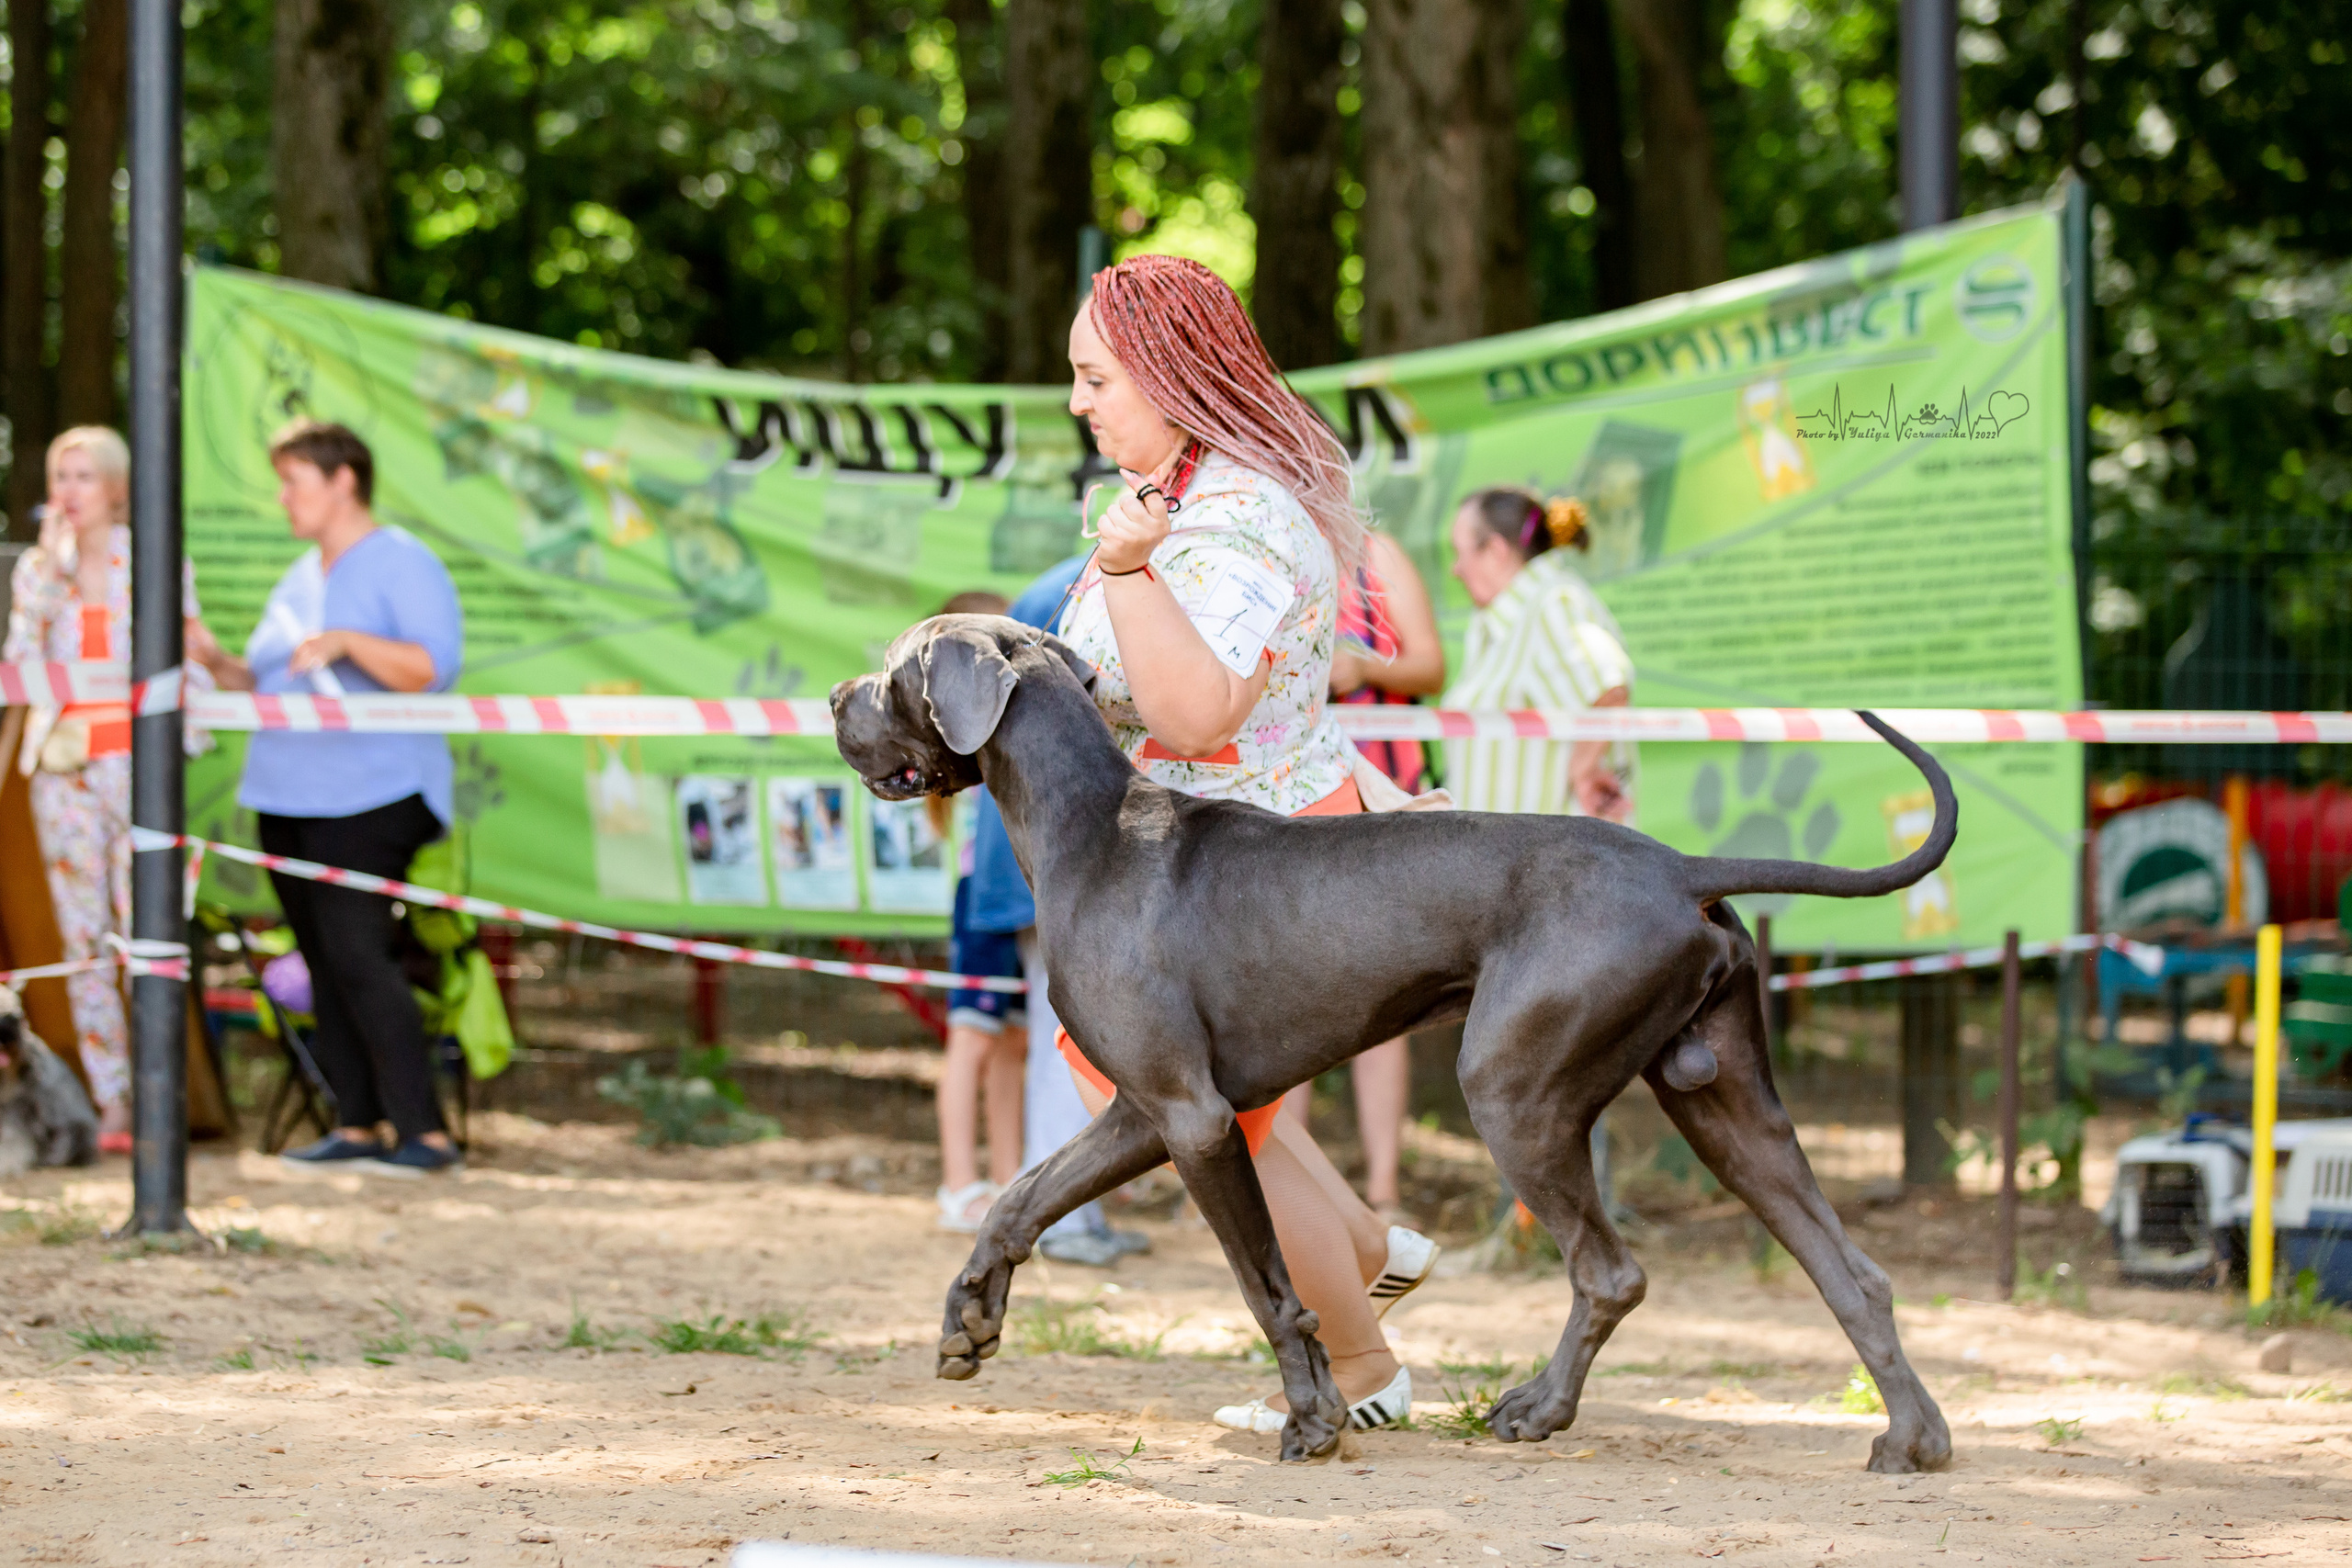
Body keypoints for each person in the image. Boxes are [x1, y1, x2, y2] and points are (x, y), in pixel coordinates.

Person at [1055, 254, 1437, 1434]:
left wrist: (1120, 571)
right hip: (1199, 858)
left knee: (1214, 1122)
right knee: (1235, 1115)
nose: (1078, 402)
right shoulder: (1182, 490)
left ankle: (1363, 1367)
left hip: (1236, 864)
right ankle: (1368, 1250)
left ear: (1170, 376)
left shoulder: (1237, 513)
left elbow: (1199, 711)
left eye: (1095, 377)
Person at [187, 421, 469, 1177]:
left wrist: (350, 641)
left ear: (344, 480)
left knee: (358, 953)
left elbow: (430, 667)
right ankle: (359, 1122)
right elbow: (269, 678)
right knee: (321, 957)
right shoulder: (299, 573)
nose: (283, 497)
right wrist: (211, 657)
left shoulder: (403, 561)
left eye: (294, 481)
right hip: (287, 795)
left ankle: (426, 1134)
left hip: (371, 795)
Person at [4, 427, 209, 1152]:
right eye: (61, 474)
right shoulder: (38, 571)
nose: (68, 490)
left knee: (149, 931)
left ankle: (164, 1094)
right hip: (64, 769)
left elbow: (188, 654)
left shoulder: (151, 557)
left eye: (85, 475)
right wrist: (53, 580)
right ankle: (114, 1102)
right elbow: (21, 667)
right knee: (83, 939)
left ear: (118, 487)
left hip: (140, 766)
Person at [1282, 529, 1445, 1223]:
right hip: (1284, 805)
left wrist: (1363, 664)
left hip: (1376, 799)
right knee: (1281, 1007)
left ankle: (1383, 1193)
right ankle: (1290, 1192)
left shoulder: (1374, 554)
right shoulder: (1255, 543)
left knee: (1384, 1001)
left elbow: (1431, 666)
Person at [1442, 487, 1635, 823]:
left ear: (1496, 551)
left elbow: (1608, 685)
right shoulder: (1514, 618)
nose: (1455, 570)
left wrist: (1583, 771)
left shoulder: (1553, 602)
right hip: (1523, 864)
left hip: (1555, 865)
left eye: (1460, 554)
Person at [931, 592, 1029, 1232]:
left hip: (1024, 895)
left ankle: (1012, 1178)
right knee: (971, 1037)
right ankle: (958, 1183)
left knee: (1014, 1043)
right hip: (983, 897)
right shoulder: (962, 728)